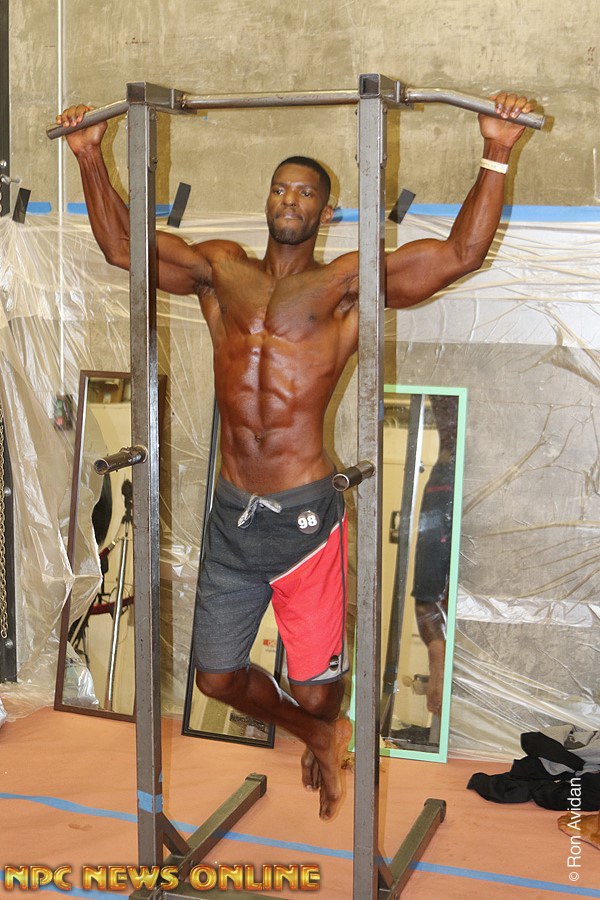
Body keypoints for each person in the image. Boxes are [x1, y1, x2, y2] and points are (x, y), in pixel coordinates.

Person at [58, 91, 535, 820]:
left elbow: (459, 256)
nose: (290, 199)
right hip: (230, 514)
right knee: (216, 678)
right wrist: (88, 155)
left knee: (316, 688)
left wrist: (496, 151)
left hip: (303, 519)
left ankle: (321, 718)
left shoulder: (344, 288)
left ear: (326, 211)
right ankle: (316, 732)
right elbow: (123, 249)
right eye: (281, 188)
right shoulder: (220, 271)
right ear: (267, 200)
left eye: (306, 192)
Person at [411, 395, 458, 717]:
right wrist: (438, 660)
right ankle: (440, 657)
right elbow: (426, 602)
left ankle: (440, 657)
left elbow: (426, 603)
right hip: (449, 478)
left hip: (448, 477)